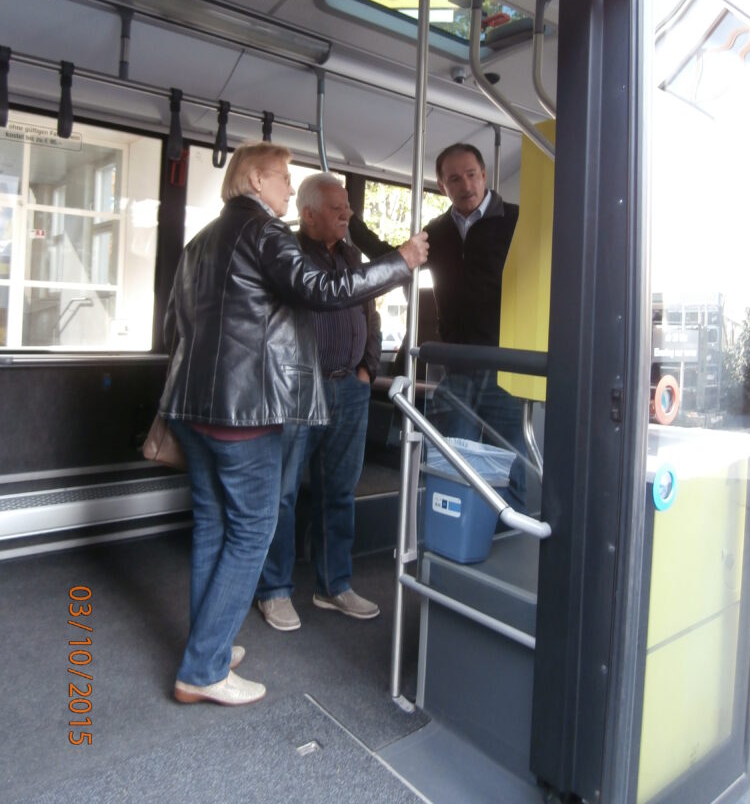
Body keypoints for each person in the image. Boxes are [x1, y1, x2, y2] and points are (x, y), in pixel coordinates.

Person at [159, 142, 428, 707]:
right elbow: (323, 291)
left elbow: (174, 327)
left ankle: (209, 642)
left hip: (192, 408)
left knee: (213, 526)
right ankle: (203, 669)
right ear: (255, 179)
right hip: (245, 411)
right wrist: (399, 261)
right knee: (253, 529)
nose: (287, 185)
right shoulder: (264, 233)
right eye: (282, 177)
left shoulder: (200, 243)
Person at [349, 142, 526, 506]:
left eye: (472, 175)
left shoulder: (515, 221)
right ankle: (456, 536)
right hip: (456, 363)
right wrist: (351, 223)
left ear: (485, 175)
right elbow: (396, 257)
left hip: (505, 363)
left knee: (510, 457)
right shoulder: (438, 230)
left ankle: (513, 542)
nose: (466, 185)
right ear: (442, 186)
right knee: (450, 456)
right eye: (455, 179)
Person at [256, 173, 382, 631]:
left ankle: (334, 586)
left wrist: (368, 369)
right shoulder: (286, 254)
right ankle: (274, 589)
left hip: (351, 387)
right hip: (299, 392)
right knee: (284, 494)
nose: (347, 214)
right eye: (336, 208)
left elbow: (371, 314)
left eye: (347, 206)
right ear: (308, 214)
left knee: (340, 492)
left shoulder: (351, 254)